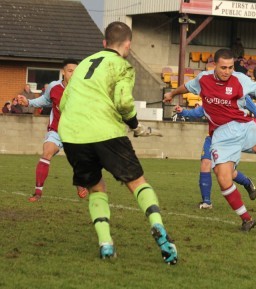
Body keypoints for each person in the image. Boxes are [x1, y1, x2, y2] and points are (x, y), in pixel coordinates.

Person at [58, 21, 177, 264]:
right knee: (137, 183)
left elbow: (63, 103)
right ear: (128, 45)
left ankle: (105, 244)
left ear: (104, 43)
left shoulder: (81, 67)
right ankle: (159, 231)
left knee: (95, 187)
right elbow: (123, 103)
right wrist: (134, 125)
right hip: (106, 131)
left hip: (71, 134)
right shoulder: (122, 66)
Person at [164, 48, 256, 232]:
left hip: (244, 126)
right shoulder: (203, 79)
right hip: (221, 135)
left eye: (230, 67)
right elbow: (187, 87)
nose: (227, 71)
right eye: (223, 67)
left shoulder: (240, 80)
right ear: (215, 65)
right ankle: (247, 219)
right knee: (224, 178)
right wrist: (172, 94)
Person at [17, 59, 88, 202]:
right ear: (63, 73)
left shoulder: (84, 90)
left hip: (75, 133)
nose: (73, 74)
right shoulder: (54, 87)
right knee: (47, 152)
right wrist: (29, 102)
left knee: (78, 161)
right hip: (56, 130)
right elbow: (45, 100)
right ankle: (37, 192)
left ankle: (80, 184)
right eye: (70, 71)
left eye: (76, 71)